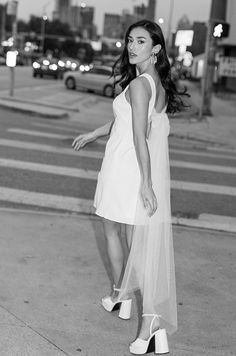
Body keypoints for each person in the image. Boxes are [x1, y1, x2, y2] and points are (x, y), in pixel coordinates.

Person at [72, 19, 188, 355]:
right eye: (129, 40)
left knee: (120, 238)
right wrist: (96, 133)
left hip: (127, 169)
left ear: (156, 49)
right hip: (131, 169)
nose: (131, 46)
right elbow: (129, 120)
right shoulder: (154, 85)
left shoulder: (139, 86)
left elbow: (140, 135)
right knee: (133, 243)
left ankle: (147, 317)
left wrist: (147, 185)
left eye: (140, 41)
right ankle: (122, 298)